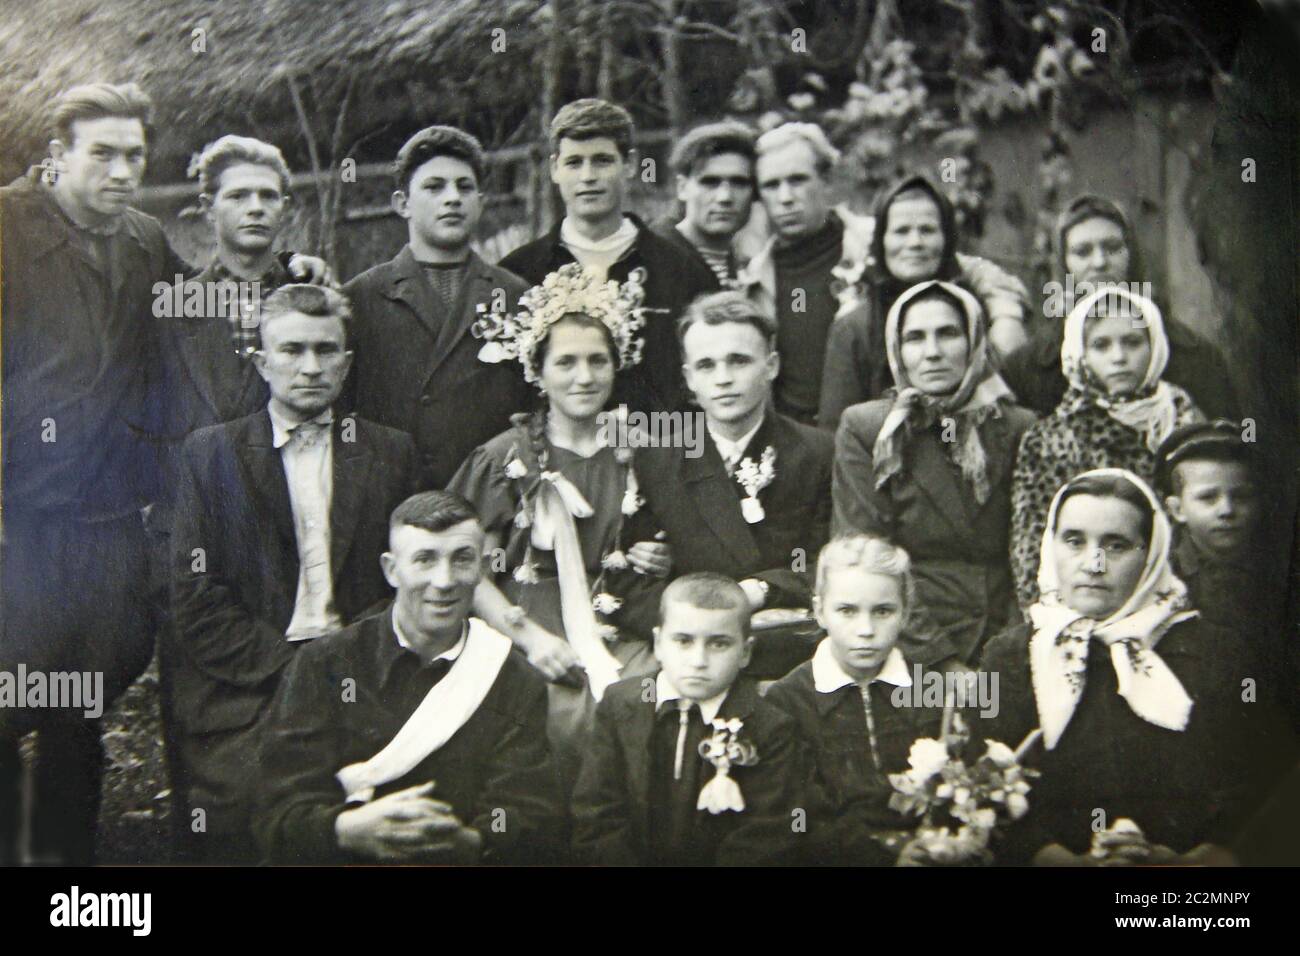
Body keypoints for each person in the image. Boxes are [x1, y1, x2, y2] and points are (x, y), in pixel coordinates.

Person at [0, 82, 323, 865]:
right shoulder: (6, 229)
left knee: (79, 708)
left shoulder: (143, 239)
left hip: (104, 521)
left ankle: (69, 869)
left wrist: (290, 268)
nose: (121, 170)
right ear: (57, 157)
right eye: (101, 154)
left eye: (134, 156)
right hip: (16, 521)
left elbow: (210, 295)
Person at [168, 285, 417, 862]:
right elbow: (195, 594)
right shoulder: (211, 455)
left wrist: (348, 661)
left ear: (347, 362)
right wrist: (296, 669)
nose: (311, 367)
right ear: (261, 362)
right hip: (251, 685)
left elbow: (405, 580)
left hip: (362, 673)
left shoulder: (389, 451)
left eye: (326, 350)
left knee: (396, 800)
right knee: (258, 805)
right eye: (292, 350)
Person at [981, 469, 1287, 865]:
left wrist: (1194, 858)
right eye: (1074, 541)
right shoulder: (1009, 656)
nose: (1093, 564)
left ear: (1151, 553)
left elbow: (1259, 784)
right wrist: (1055, 859)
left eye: (1116, 545)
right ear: (1049, 544)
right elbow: (984, 787)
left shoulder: (1215, 651)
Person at [449, 263, 671, 785]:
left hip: (627, 626)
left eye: (598, 361)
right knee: (555, 718)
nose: (584, 376)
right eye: (566, 362)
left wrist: (658, 555)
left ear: (618, 367)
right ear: (537, 371)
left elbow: (666, 534)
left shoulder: (640, 447)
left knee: (654, 703)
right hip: (530, 632)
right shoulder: (505, 457)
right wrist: (530, 640)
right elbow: (467, 571)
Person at [256, 491, 563, 864]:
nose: (444, 580)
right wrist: (346, 830)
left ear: (482, 570)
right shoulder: (324, 665)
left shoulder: (512, 678)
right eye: (424, 560)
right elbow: (274, 807)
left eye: (462, 559)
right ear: (391, 570)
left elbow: (526, 811)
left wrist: (469, 840)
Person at [737, 131, 1030, 426]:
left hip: (872, 423)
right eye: (771, 186)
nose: (786, 197)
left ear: (825, 181)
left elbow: (970, 267)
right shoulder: (753, 278)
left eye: (798, 180)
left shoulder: (878, 238)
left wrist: (1007, 314)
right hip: (800, 436)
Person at [620, 291, 833, 677]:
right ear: (688, 379)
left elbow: (831, 560)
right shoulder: (657, 457)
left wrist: (763, 589)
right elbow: (631, 580)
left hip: (789, 643)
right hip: (692, 651)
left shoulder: (816, 452)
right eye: (706, 365)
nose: (723, 379)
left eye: (739, 361)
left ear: (771, 366)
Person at [833, 281, 1036, 665]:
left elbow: (1033, 552)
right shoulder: (869, 430)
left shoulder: (1017, 427)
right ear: (897, 350)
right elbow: (866, 557)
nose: (932, 353)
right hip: (908, 638)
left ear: (975, 342)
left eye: (948, 334)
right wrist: (940, 660)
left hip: (1008, 635)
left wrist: (1010, 650)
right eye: (914, 338)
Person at [500, 99, 720, 414]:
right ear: (554, 169)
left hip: (661, 451)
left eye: (602, 160)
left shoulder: (682, 270)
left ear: (629, 164)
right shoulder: (520, 273)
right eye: (574, 162)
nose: (588, 176)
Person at [342, 126, 532, 488]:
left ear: (481, 200)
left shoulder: (516, 296)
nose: (452, 198)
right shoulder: (360, 298)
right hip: (393, 501)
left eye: (464, 187)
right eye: (434, 187)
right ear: (403, 204)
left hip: (489, 498)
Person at [571, 572, 803, 865]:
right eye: (683, 641)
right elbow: (597, 813)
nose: (698, 661)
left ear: (745, 652)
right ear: (658, 643)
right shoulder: (620, 705)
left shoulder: (769, 725)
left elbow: (766, 835)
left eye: (718, 644)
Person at [765, 535, 961, 864]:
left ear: (905, 612)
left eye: (883, 611)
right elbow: (797, 816)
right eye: (847, 611)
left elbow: (958, 789)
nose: (866, 629)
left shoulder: (933, 690)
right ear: (820, 611)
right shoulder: (787, 701)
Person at [1010, 284, 1204, 609]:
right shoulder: (1051, 438)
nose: (1119, 357)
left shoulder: (1184, 421)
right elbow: (1030, 542)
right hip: (1084, 603)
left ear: (1154, 346)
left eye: (1132, 342)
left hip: (1176, 599)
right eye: (1101, 345)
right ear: (1080, 354)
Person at [819, 174, 1033, 429]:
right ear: (881, 241)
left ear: (946, 240)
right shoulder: (854, 327)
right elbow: (837, 431)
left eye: (927, 230)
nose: (915, 243)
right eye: (901, 231)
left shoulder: (980, 309)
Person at [1002, 194, 1237, 418]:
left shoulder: (1194, 358)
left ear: (1132, 256)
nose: (1100, 263)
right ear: (1064, 264)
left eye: (1113, 248)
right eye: (1083, 252)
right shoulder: (1027, 370)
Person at [1156, 420, 1278, 666]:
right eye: (1208, 497)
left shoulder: (1277, 570)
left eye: (1242, 496)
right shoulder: (1163, 577)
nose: (1227, 510)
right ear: (1177, 509)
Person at [650, 120, 757, 286]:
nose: (725, 197)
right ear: (683, 188)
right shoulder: (653, 257)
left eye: (739, 183)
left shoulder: (745, 266)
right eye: (710, 182)